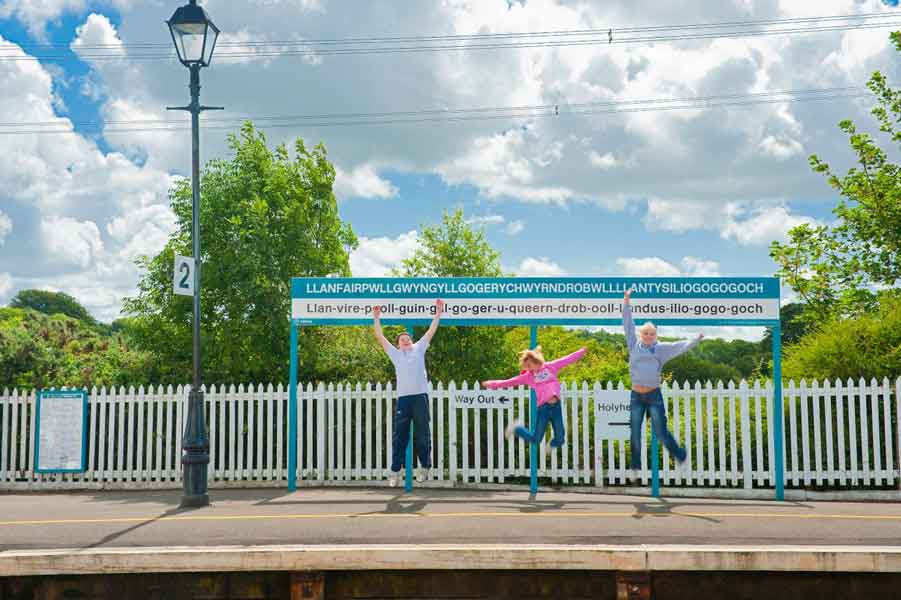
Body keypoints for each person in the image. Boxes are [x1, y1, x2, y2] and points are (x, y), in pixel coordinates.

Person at [623, 288, 702, 481]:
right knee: (634, 430)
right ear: (641, 334)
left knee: (660, 431)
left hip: (653, 395)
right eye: (646, 333)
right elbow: (627, 323)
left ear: (656, 335)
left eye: (652, 333)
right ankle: (635, 466)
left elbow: (679, 346)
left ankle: (681, 456)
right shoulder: (633, 344)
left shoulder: (661, 349)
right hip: (636, 396)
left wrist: (696, 340)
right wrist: (626, 301)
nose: (649, 335)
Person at [373, 299, 444, 487]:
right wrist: (376, 318)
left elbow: (431, 331)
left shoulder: (419, 348)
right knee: (400, 436)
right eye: (402, 339)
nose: (406, 339)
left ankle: (425, 467)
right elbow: (380, 337)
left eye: (408, 338)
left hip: (420, 397)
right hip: (403, 400)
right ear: (398, 344)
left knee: (423, 434)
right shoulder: (395, 354)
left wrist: (438, 312)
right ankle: (395, 471)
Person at [482, 345, 587, 456]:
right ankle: (517, 428)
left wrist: (581, 352)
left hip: (556, 407)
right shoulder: (528, 376)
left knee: (560, 438)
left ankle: (552, 444)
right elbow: (509, 382)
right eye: (526, 366)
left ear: (534, 360)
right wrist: (491, 384)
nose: (528, 368)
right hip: (543, 409)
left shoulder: (550, 367)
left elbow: (567, 359)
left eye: (529, 365)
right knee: (536, 439)